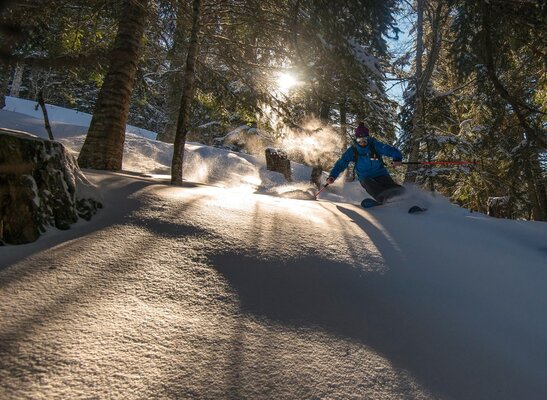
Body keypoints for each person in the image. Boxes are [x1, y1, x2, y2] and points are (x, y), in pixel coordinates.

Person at [326, 122, 405, 208]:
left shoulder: (374, 145)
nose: (363, 142)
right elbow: (341, 164)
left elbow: (389, 150)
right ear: (356, 139)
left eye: (365, 139)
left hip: (380, 173)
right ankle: (384, 200)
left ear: (368, 138)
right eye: (360, 140)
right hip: (365, 177)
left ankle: (405, 198)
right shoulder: (353, 151)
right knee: (371, 186)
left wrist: (397, 158)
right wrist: (332, 176)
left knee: (392, 187)